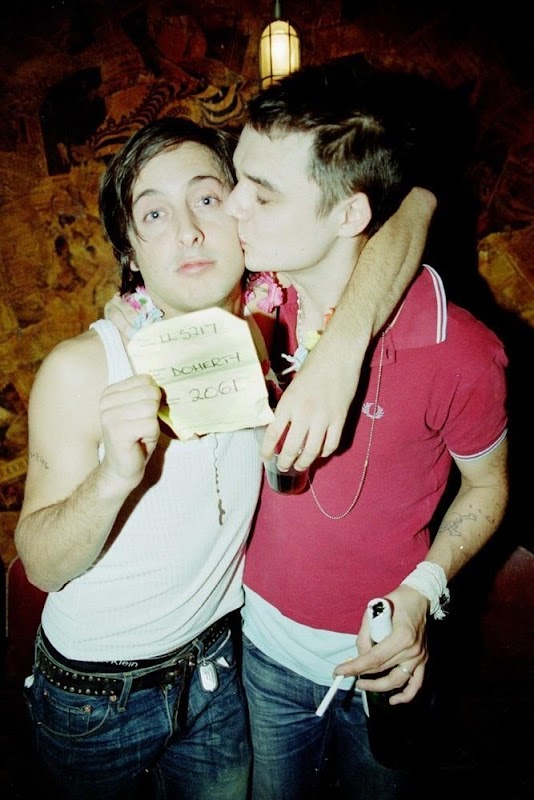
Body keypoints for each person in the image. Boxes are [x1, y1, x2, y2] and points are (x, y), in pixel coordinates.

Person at [222, 59, 509, 799]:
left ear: (350, 215)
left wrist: (423, 591)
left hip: (386, 665)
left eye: (263, 194)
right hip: (260, 650)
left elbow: (488, 486)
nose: (233, 207)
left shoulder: (460, 348)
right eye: (236, 179)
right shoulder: (244, 305)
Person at [15, 118, 266, 800]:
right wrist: (115, 477)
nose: (188, 230)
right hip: (96, 697)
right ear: (130, 248)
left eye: (207, 199)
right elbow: (42, 565)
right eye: (155, 213)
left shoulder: (271, 335)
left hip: (218, 669)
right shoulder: (81, 368)